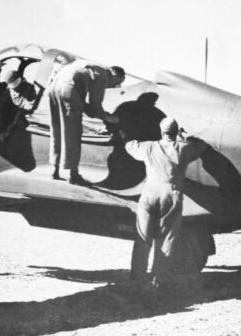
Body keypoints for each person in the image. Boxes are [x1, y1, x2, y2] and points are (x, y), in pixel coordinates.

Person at [123, 117, 207, 293]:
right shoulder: (184, 149)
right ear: (176, 132)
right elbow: (201, 146)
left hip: (149, 193)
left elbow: (129, 145)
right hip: (171, 194)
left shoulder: (148, 147)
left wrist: (125, 135)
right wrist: (185, 137)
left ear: (161, 131)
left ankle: (136, 281)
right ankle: (158, 282)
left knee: (142, 239)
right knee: (166, 240)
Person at [48, 60, 125, 185]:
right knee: (72, 132)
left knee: (57, 130)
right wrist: (109, 118)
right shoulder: (104, 75)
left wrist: (93, 112)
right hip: (69, 89)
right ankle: (74, 175)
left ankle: (54, 171)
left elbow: (84, 104)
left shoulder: (92, 66)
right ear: (115, 75)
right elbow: (95, 104)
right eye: (117, 83)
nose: (113, 87)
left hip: (54, 88)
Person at [0, 68, 37, 144]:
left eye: (15, 83)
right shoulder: (9, 90)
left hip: (23, 121)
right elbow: (2, 104)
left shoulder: (29, 88)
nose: (15, 88)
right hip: (12, 118)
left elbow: (26, 108)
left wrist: (9, 129)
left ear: (19, 79)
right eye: (12, 85)